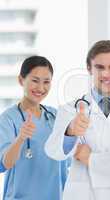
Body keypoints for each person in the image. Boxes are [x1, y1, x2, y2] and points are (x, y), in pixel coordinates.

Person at [45, 40, 110, 200]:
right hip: (85, 194)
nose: (106, 74)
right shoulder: (70, 109)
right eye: (99, 67)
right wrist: (70, 132)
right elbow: (53, 152)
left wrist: (91, 160)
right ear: (89, 68)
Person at [0, 56, 70, 200]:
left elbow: (68, 159)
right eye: (35, 80)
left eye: (46, 82)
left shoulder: (54, 116)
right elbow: (6, 163)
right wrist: (20, 138)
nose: (40, 88)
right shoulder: (8, 119)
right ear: (21, 80)